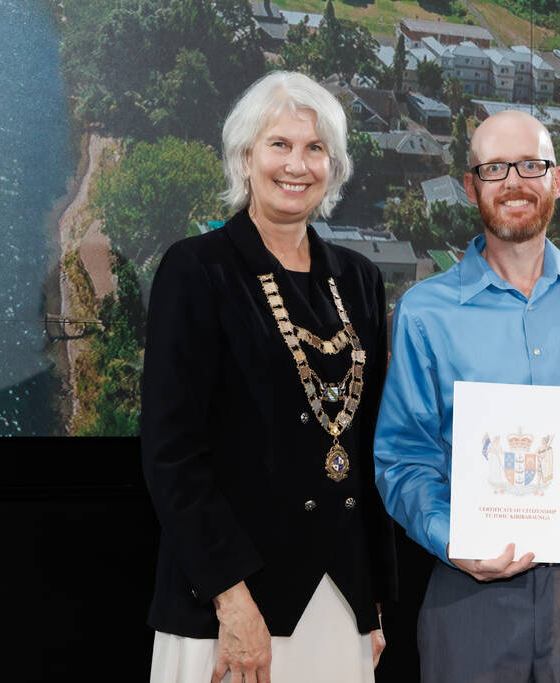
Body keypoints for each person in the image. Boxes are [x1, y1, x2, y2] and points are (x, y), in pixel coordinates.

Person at [373, 110, 560, 682]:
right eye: (494, 168)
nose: (514, 182)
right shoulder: (425, 311)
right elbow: (402, 458)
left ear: (558, 180)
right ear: (471, 186)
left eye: (531, 165)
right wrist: (452, 542)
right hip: (468, 591)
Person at [141, 71, 395, 683]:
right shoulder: (196, 270)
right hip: (231, 607)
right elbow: (172, 454)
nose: (297, 164)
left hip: (340, 602)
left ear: (333, 166)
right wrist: (232, 600)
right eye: (279, 144)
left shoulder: (359, 279)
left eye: (315, 148)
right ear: (244, 156)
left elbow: (365, 447)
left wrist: (375, 599)